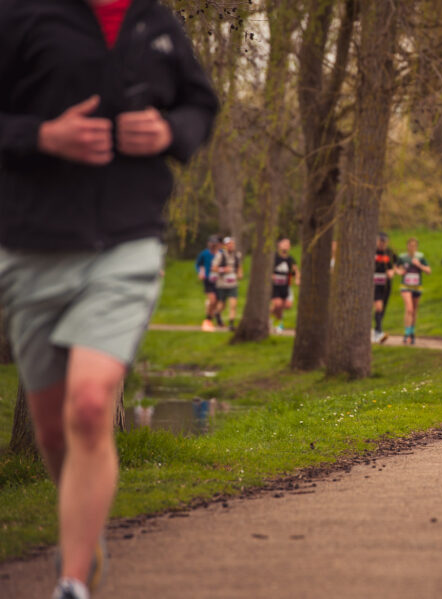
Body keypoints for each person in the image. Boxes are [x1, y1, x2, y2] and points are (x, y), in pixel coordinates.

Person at [0, 1, 218, 598]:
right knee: (51, 431)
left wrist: (172, 131)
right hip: (33, 245)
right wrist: (43, 136)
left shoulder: (156, 22)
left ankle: (72, 581)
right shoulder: (22, 15)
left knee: (92, 406)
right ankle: (83, 538)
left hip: (126, 241)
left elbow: (200, 104)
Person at [396, 237, 432, 344]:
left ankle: (412, 333)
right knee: (409, 309)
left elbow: (428, 271)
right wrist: (399, 272)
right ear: (407, 246)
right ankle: (406, 333)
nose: (412, 248)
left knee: (414, 310)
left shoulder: (420, 257)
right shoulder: (402, 257)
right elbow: (396, 268)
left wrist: (419, 265)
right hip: (405, 286)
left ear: (416, 247)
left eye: (414, 246)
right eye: (410, 246)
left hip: (417, 286)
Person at [212, 237, 243, 331]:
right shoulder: (220, 255)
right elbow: (214, 268)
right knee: (222, 304)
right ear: (225, 246)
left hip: (233, 283)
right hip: (222, 283)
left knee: (233, 304)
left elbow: (239, 266)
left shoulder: (237, 255)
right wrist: (223, 270)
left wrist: (240, 273)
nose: (231, 245)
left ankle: (231, 324)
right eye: (229, 244)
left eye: (232, 244)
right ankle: (217, 313)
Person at [270, 237, 299, 334]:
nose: (287, 246)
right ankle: (278, 324)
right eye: (285, 243)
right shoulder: (274, 257)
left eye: (288, 244)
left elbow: (296, 271)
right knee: (278, 304)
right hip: (275, 286)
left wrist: (297, 279)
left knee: (286, 305)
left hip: (285, 286)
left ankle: (270, 316)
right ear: (279, 245)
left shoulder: (290, 259)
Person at [372, 232, 395, 344]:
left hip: (385, 284)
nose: (382, 244)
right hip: (374, 283)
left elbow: (395, 265)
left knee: (382, 309)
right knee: (378, 307)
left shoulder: (390, 253)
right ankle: (379, 332)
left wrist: (393, 271)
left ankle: (377, 332)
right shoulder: (372, 251)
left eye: (384, 242)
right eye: (380, 241)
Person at [196, 235, 221, 332]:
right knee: (212, 300)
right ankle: (207, 320)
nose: (213, 245)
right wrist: (200, 272)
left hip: (219, 280)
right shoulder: (204, 254)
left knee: (217, 301)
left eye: (215, 243)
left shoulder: (221, 253)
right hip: (208, 279)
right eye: (211, 243)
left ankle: (211, 318)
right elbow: (198, 264)